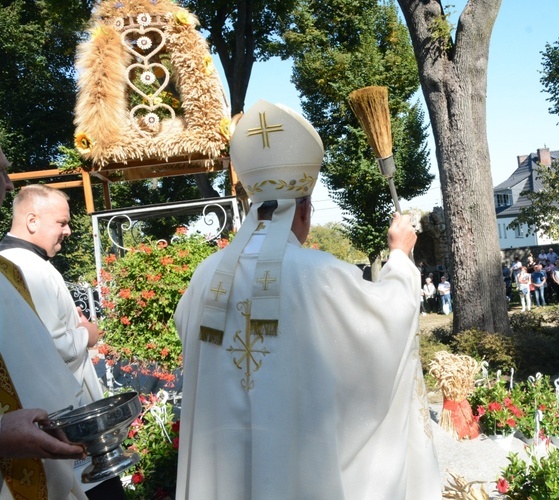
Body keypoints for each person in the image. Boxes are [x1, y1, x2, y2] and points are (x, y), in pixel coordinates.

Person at [174, 100, 441, 499]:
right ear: (303, 209)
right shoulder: (320, 275)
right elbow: (386, 325)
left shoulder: (205, 275)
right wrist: (400, 257)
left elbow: (189, 335)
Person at [0, 186, 125, 498]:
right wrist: (88, 335)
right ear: (31, 221)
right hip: (59, 424)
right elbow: (44, 350)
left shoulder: (21, 265)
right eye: (62, 223)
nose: (68, 231)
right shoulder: (26, 267)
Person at [0, 146, 88, 498]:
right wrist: (87, 335)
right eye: (1, 171)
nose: (8, 185)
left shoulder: (7, 272)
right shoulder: (23, 267)